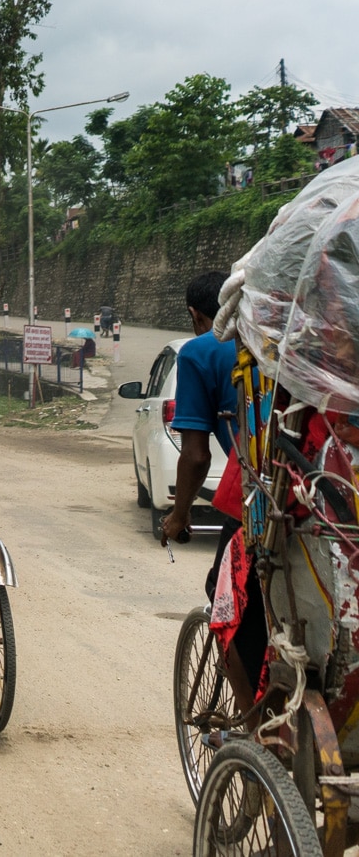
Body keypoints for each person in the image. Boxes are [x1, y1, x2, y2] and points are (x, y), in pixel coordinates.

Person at [160, 271, 265, 712]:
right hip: (334, 484)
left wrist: (179, 516)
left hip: (259, 490)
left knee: (227, 602)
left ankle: (254, 727)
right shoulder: (285, 338)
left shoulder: (200, 352)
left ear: (195, 314)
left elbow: (197, 455)